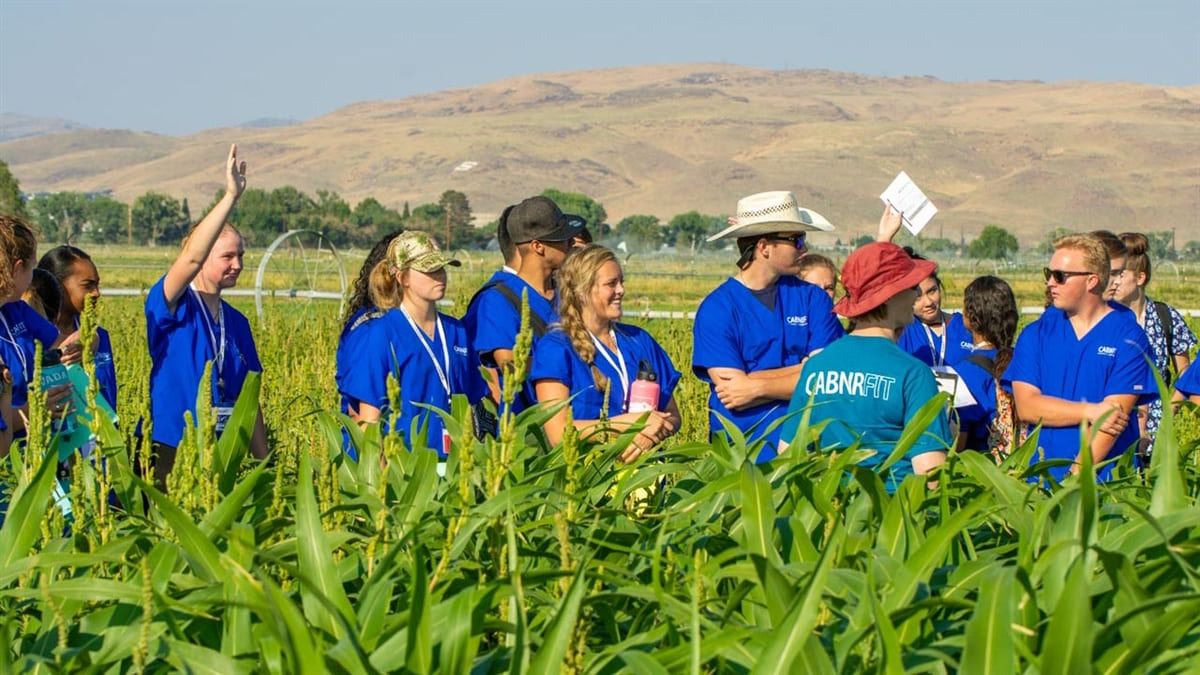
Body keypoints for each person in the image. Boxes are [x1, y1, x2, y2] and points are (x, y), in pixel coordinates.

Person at [778, 241, 949, 491]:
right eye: (911, 287)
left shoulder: (817, 367)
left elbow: (788, 455)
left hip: (829, 514)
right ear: (891, 296)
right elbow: (931, 475)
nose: (916, 294)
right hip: (893, 516)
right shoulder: (913, 374)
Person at [144, 144, 267, 486]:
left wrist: (264, 466)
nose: (238, 264)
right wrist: (230, 196)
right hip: (172, 446)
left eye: (241, 255)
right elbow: (190, 260)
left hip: (224, 449)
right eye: (227, 256)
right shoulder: (171, 304)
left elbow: (249, 397)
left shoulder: (237, 323)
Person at [693, 191, 844, 462]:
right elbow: (733, 393)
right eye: (796, 240)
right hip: (742, 455)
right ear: (764, 247)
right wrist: (804, 370)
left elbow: (828, 380)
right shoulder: (717, 308)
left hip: (806, 452)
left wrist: (756, 386)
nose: (804, 248)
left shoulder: (813, 298)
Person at [1002, 234, 1155, 482]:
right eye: (1048, 274)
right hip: (1040, 477)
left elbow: (1112, 420)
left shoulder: (1129, 337)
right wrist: (1091, 411)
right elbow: (1027, 406)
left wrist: (1073, 481)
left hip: (1105, 481)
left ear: (1091, 281)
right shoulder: (1035, 334)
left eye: (1060, 276)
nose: (1051, 283)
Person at [336, 231, 487, 462]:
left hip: (453, 467)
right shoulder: (379, 333)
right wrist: (384, 480)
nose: (440, 276)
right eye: (429, 270)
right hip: (404, 470)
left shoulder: (456, 331)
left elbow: (471, 403)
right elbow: (368, 422)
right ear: (402, 278)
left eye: (442, 268)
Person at [530, 245, 681, 460]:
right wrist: (626, 427)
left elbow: (673, 416)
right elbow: (557, 432)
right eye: (611, 284)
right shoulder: (556, 348)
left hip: (646, 478)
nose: (621, 290)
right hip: (588, 477)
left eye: (621, 282)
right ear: (582, 292)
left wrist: (650, 436)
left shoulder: (639, 340)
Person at [464, 196, 585, 413]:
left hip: (577, 418)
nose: (571, 244)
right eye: (562, 239)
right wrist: (573, 364)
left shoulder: (566, 293)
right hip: (530, 428)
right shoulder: (498, 300)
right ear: (538, 246)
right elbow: (510, 364)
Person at [1114, 232, 1196, 445]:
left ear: (1140, 277)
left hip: (1156, 432)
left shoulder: (1166, 317)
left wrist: (1170, 412)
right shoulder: (1106, 320)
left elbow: (1187, 374)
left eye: (1121, 275)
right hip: (1115, 425)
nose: (1114, 282)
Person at [0, 214, 72, 454]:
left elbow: (62, 346)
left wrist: (87, 342)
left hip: (26, 454)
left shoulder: (15, 311)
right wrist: (35, 411)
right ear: (17, 268)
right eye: (33, 267)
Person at [38, 246, 119, 412]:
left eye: (97, 285)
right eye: (88, 285)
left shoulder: (99, 336)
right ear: (57, 285)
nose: (96, 293)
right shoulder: (34, 339)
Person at [954, 276, 1019, 454]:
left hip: (986, 470)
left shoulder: (964, 372)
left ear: (970, 317)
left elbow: (958, 443)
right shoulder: (1023, 358)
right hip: (1024, 464)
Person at [1090, 230, 1128, 303]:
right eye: (1112, 273)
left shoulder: (1124, 313)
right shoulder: (1062, 310)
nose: (1118, 281)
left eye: (1121, 273)